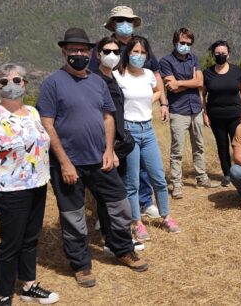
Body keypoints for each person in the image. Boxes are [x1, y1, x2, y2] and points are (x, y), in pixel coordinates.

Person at [36, 28, 147, 289]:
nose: (78, 54)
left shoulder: (98, 82)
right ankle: (81, 265)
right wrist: (64, 162)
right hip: (68, 164)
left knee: (120, 205)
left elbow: (109, 116)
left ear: (91, 53)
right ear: (64, 53)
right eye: (73, 50)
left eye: (83, 50)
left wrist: (109, 150)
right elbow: (47, 123)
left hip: (100, 159)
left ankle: (123, 249)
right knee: (73, 216)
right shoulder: (52, 83)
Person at [0, 63, 59, 306]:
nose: (11, 85)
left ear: (25, 84)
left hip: (38, 185)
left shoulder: (32, 112)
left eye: (17, 80)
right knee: (11, 244)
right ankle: (3, 296)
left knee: (31, 238)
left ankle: (29, 286)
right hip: (10, 192)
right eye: (4, 81)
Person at [96, 5, 165, 218]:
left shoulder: (141, 45)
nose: (125, 24)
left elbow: (155, 76)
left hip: (144, 123)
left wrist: (162, 102)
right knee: (119, 167)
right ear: (114, 24)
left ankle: (145, 202)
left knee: (144, 168)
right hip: (119, 121)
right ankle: (111, 211)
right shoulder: (107, 47)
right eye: (120, 20)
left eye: (128, 21)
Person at [116, 35, 181, 241]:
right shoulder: (119, 75)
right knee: (133, 182)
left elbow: (158, 90)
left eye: (143, 52)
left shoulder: (148, 75)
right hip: (129, 131)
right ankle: (137, 222)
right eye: (135, 51)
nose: (139, 56)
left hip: (148, 130)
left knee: (158, 177)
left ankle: (166, 216)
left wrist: (152, 103)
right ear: (128, 53)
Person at [92, 36, 146, 253]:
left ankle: (117, 238)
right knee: (110, 196)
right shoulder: (94, 80)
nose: (112, 55)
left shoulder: (112, 77)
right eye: (107, 51)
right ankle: (111, 240)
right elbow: (100, 117)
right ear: (98, 54)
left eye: (116, 51)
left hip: (120, 145)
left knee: (117, 192)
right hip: (107, 147)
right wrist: (109, 149)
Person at [160, 27, 220, 198]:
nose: (185, 46)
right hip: (178, 110)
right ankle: (177, 184)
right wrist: (189, 82)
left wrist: (180, 83)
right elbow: (171, 86)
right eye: (182, 43)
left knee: (199, 146)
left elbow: (200, 82)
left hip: (196, 109)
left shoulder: (193, 58)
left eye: (188, 43)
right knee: (177, 149)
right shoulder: (165, 61)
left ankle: (202, 178)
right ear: (175, 42)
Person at [201, 40, 241, 186]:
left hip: (236, 115)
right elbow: (202, 95)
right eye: (217, 53)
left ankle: (240, 172)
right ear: (213, 55)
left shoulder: (237, 71)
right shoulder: (207, 73)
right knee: (222, 145)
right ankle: (227, 174)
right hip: (216, 117)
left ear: (228, 55)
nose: (220, 55)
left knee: (238, 145)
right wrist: (205, 113)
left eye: (223, 53)